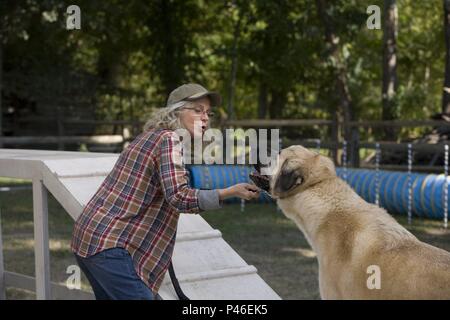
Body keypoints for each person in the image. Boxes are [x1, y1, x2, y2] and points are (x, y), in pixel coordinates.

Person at [71, 83, 260, 300]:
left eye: (208, 112)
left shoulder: (151, 136)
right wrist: (228, 192)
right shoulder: (169, 140)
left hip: (90, 239)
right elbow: (179, 197)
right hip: (110, 245)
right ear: (176, 112)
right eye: (197, 110)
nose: (206, 117)